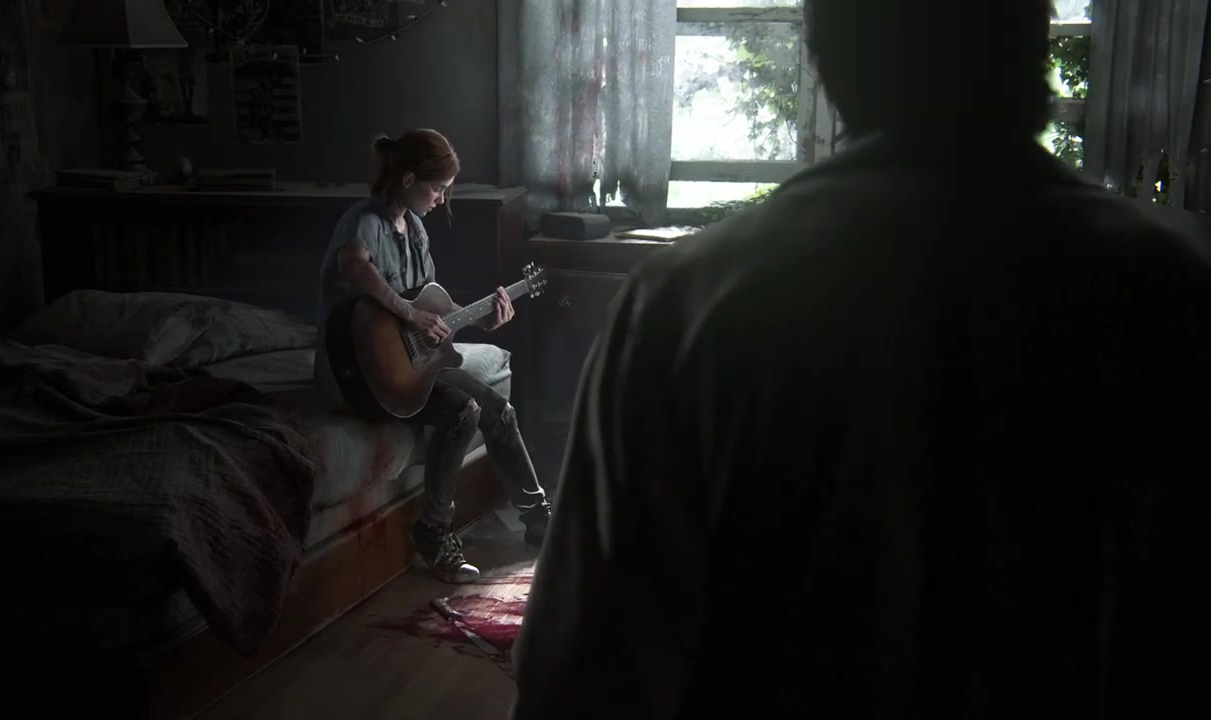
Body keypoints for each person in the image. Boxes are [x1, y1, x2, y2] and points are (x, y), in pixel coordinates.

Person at [511, 1, 1211, 717]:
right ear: (1035, 30)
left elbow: (583, 673)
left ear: (823, 50)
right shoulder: (1174, 289)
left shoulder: (688, 301)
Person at [315, 128, 551, 584]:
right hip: (357, 375)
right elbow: (354, 265)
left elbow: (430, 309)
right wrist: (410, 315)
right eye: (437, 188)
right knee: (463, 411)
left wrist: (480, 320)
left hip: (407, 368)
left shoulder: (417, 230)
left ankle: (539, 518)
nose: (442, 199)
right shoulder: (364, 221)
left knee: (498, 410)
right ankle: (434, 531)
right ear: (408, 179)